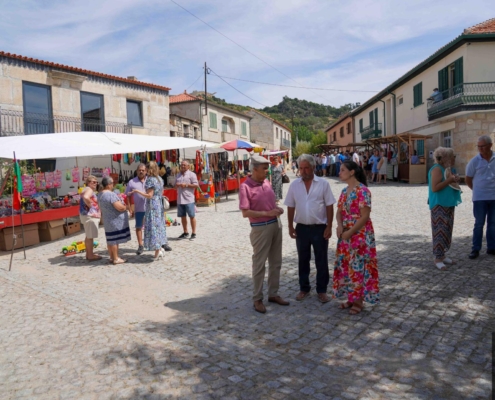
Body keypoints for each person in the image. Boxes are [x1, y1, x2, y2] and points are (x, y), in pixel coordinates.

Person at [239, 155, 289, 314]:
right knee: (259, 264)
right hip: (260, 228)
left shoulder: (266, 182)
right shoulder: (245, 186)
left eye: (268, 168)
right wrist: (268, 212)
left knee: (276, 262)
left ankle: (273, 294)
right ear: (254, 169)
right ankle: (257, 298)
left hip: (275, 225)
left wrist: (275, 208)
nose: (268, 171)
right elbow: (245, 212)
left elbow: (270, 203)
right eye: (264, 168)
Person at [285, 154, 336, 303]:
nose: (303, 171)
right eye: (301, 168)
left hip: (319, 228)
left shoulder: (323, 184)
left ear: (313, 167)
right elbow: (290, 205)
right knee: (303, 259)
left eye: (306, 168)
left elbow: (329, 205)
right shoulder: (294, 185)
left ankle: (322, 290)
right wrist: (290, 226)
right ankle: (304, 288)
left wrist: (329, 225)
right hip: (301, 228)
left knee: (321, 260)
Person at [333, 161, 379, 314]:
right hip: (345, 233)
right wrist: (339, 225)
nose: (339, 173)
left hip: (359, 234)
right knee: (347, 265)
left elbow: (365, 216)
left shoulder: (363, 191)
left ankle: (359, 301)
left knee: (358, 265)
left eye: (342, 170)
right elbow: (338, 211)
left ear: (352, 172)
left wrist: (349, 232)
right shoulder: (344, 191)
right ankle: (351, 298)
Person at [428, 147, 462, 269]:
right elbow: (435, 188)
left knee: (446, 230)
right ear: (446, 158)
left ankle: (442, 255)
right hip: (439, 205)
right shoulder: (437, 169)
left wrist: (454, 179)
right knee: (440, 231)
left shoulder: (445, 169)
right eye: (453, 156)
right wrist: (449, 180)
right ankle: (437, 258)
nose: (454, 158)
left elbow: (449, 182)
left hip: (447, 203)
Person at [131, 161, 170, 260]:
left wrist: (137, 191)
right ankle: (160, 247)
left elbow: (149, 195)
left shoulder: (150, 180)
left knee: (153, 227)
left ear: (149, 169)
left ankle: (157, 251)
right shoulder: (160, 179)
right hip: (159, 204)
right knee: (159, 226)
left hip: (152, 205)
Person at [466, 135, 495, 259]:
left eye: (482, 146)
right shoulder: (474, 161)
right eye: (478, 146)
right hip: (479, 198)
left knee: (493, 224)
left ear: (490, 145)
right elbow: (468, 178)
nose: (480, 149)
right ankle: (475, 249)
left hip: (494, 197)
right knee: (479, 224)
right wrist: (476, 190)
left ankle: (492, 247)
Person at [98, 176, 131, 265]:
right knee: (114, 240)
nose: (113, 185)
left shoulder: (100, 194)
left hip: (108, 220)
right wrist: (125, 207)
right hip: (114, 220)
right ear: (108, 185)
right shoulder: (110, 194)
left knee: (110, 239)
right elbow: (119, 207)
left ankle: (112, 257)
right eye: (112, 183)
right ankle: (116, 258)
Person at [125, 163, 147, 255]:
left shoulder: (150, 180)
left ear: (146, 171)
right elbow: (128, 195)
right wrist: (130, 208)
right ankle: (140, 245)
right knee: (138, 227)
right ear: (136, 171)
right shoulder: (132, 182)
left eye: (143, 170)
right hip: (139, 209)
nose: (141, 171)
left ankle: (154, 243)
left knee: (151, 227)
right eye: (139, 170)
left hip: (150, 209)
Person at [175, 160, 199, 240]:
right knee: (182, 216)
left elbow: (196, 185)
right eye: (181, 165)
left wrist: (186, 185)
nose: (182, 166)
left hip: (189, 199)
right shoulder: (178, 175)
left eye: (184, 165)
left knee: (191, 216)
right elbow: (175, 186)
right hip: (180, 199)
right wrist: (177, 185)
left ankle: (194, 233)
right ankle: (185, 232)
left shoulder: (192, 175)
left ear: (188, 166)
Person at [79, 175, 102, 261]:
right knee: (90, 237)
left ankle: (89, 254)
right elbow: (86, 197)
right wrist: (90, 206)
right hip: (90, 216)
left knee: (89, 236)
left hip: (86, 215)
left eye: (96, 182)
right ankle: (90, 255)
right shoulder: (89, 189)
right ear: (88, 183)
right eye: (93, 182)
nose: (95, 184)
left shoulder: (87, 189)